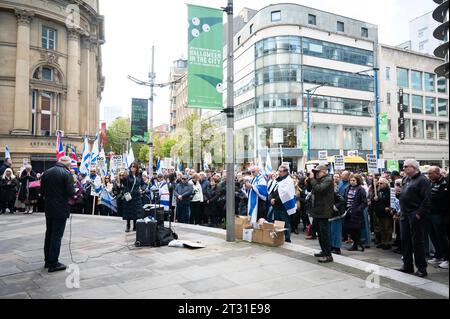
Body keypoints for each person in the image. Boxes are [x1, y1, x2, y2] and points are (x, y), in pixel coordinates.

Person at [40, 156, 75, 273]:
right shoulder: (67, 173)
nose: (70, 166)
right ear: (67, 164)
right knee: (57, 235)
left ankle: (47, 261)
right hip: (61, 208)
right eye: (70, 165)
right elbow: (71, 192)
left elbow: (42, 191)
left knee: (49, 233)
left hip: (49, 208)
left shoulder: (47, 172)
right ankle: (53, 263)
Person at [398, 159, 431, 277]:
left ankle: (422, 268)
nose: (404, 168)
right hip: (404, 214)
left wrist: (418, 214)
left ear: (414, 167)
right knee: (405, 240)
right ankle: (407, 265)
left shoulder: (422, 180)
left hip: (415, 214)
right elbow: (404, 195)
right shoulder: (406, 179)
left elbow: (427, 199)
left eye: (406, 166)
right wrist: (399, 194)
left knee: (417, 242)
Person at [307, 165, 335, 263]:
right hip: (318, 210)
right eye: (315, 172)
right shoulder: (318, 179)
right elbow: (310, 188)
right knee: (319, 232)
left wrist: (312, 179)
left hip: (324, 211)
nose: (316, 173)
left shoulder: (328, 179)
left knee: (324, 233)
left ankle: (328, 255)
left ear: (324, 171)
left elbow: (319, 189)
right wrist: (309, 179)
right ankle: (324, 251)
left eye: (317, 172)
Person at [426, 166, 449, 269]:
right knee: (433, 236)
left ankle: (447, 258)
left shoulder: (444, 183)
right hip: (430, 213)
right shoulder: (431, 183)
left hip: (439, 214)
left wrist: (431, 197)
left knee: (441, 237)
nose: (429, 175)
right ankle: (438, 255)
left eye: (430, 173)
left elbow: (442, 198)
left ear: (437, 173)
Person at [269, 165, 296, 243]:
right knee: (277, 222)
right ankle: (278, 237)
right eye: (278, 171)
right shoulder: (277, 180)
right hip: (276, 205)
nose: (279, 173)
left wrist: (275, 200)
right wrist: (271, 198)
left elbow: (285, 194)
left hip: (284, 205)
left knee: (285, 223)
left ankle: (287, 239)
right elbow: (272, 190)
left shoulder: (288, 180)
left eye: (281, 171)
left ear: (285, 172)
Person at [343, 174, 368, 252]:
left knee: (356, 229)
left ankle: (356, 245)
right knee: (349, 229)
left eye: (354, 180)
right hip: (348, 212)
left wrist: (358, 209)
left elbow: (364, 202)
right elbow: (344, 199)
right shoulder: (347, 188)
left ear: (357, 181)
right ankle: (359, 243)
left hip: (356, 213)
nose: (352, 182)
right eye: (351, 180)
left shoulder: (361, 189)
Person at [122, 163, 145, 232]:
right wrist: (123, 177)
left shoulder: (139, 176)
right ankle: (128, 225)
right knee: (128, 211)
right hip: (129, 196)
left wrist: (142, 189)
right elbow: (124, 183)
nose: (132, 168)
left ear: (136, 168)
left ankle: (135, 226)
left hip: (137, 196)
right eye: (131, 166)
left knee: (136, 212)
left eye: (134, 166)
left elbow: (143, 184)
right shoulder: (128, 176)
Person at [373, 178, 393, 250]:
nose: (379, 185)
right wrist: (374, 198)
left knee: (387, 228)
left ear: (386, 184)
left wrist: (389, 207)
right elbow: (375, 201)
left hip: (386, 213)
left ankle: (388, 243)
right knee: (381, 228)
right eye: (378, 183)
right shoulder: (378, 191)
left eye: (381, 183)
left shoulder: (389, 191)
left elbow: (392, 200)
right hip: (379, 212)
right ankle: (383, 241)